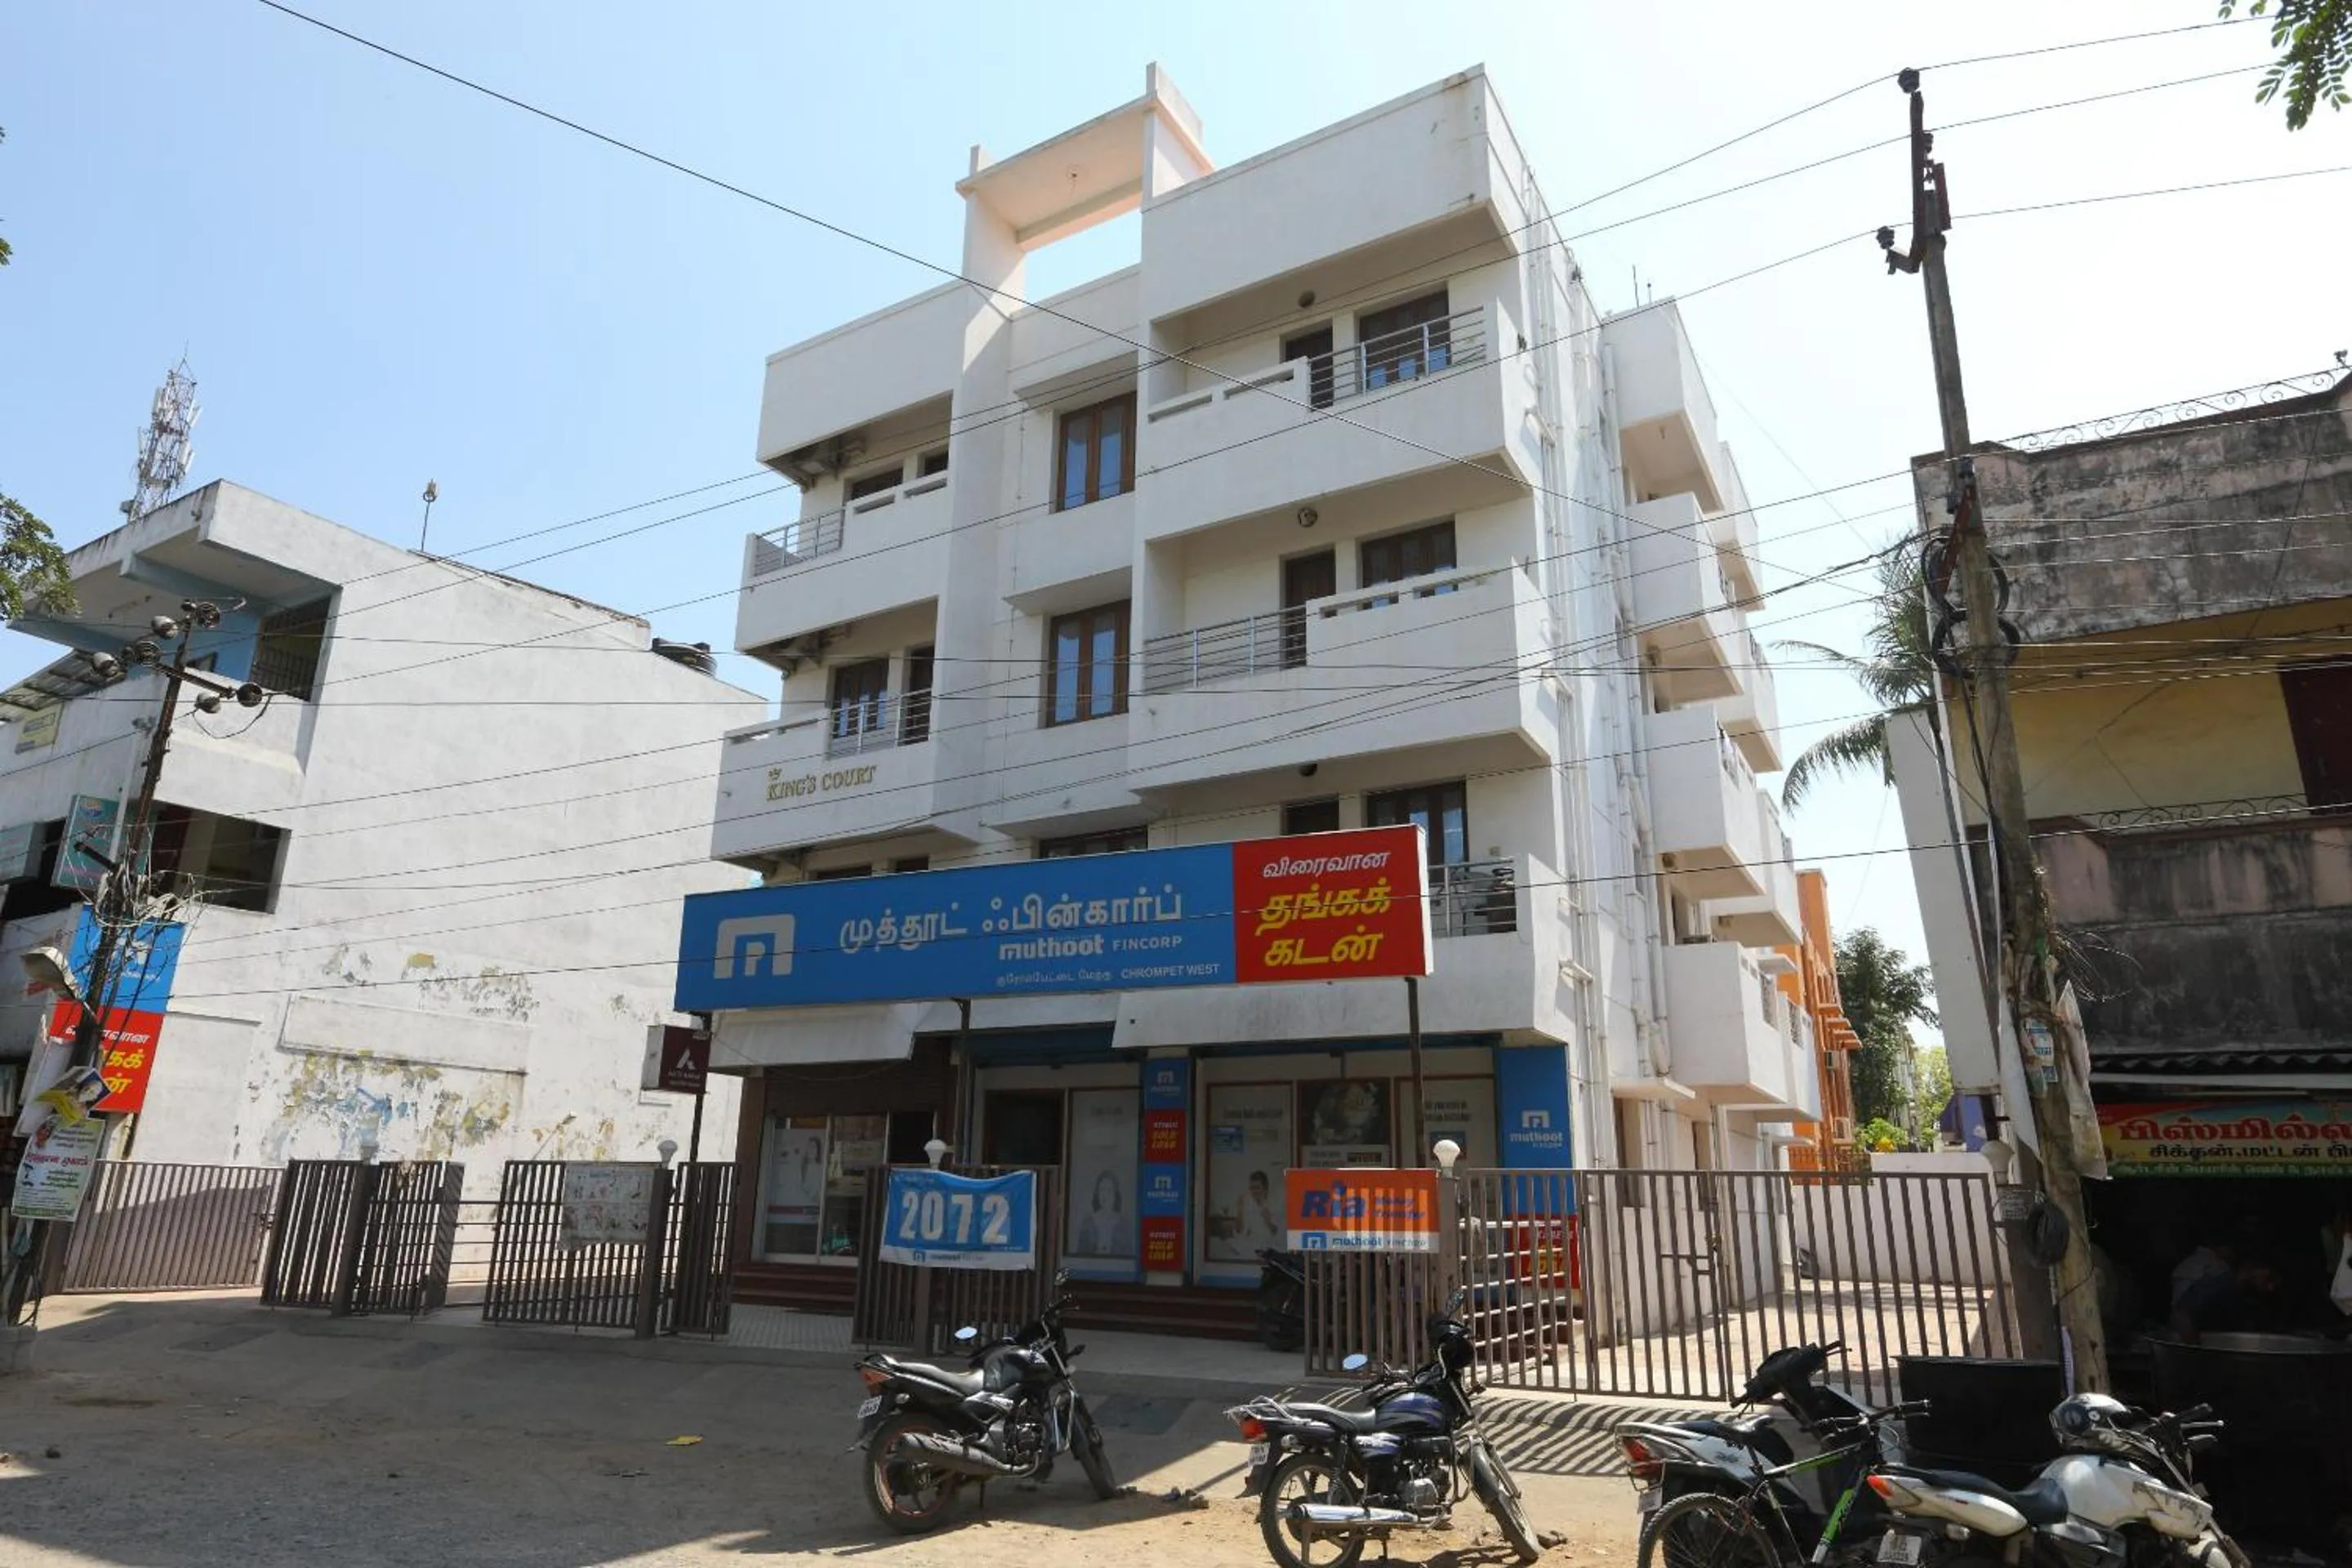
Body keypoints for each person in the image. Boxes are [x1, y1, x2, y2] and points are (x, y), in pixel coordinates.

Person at [2170, 1254, 2285, 1342]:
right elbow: (2181, 1313)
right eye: (2270, 1278)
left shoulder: (2258, 1298)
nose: (2271, 1287)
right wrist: (2196, 1349)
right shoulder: (2218, 1285)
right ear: (2253, 1268)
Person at [1077, 1171, 1126, 1257]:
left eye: (1109, 1190)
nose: (1104, 1195)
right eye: (1102, 1190)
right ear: (1097, 1193)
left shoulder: (1124, 1224)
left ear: (1115, 1194)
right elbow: (1080, 1255)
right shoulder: (1087, 1223)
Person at [1233, 1169, 1282, 1250]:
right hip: (1249, 1244)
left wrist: (1267, 1220)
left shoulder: (1275, 1205)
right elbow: (1241, 1231)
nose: (1254, 1192)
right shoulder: (1247, 1203)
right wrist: (1240, 1212)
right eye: (1252, 1188)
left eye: (1257, 1188)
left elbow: (1277, 1233)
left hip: (1268, 1245)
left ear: (1265, 1189)